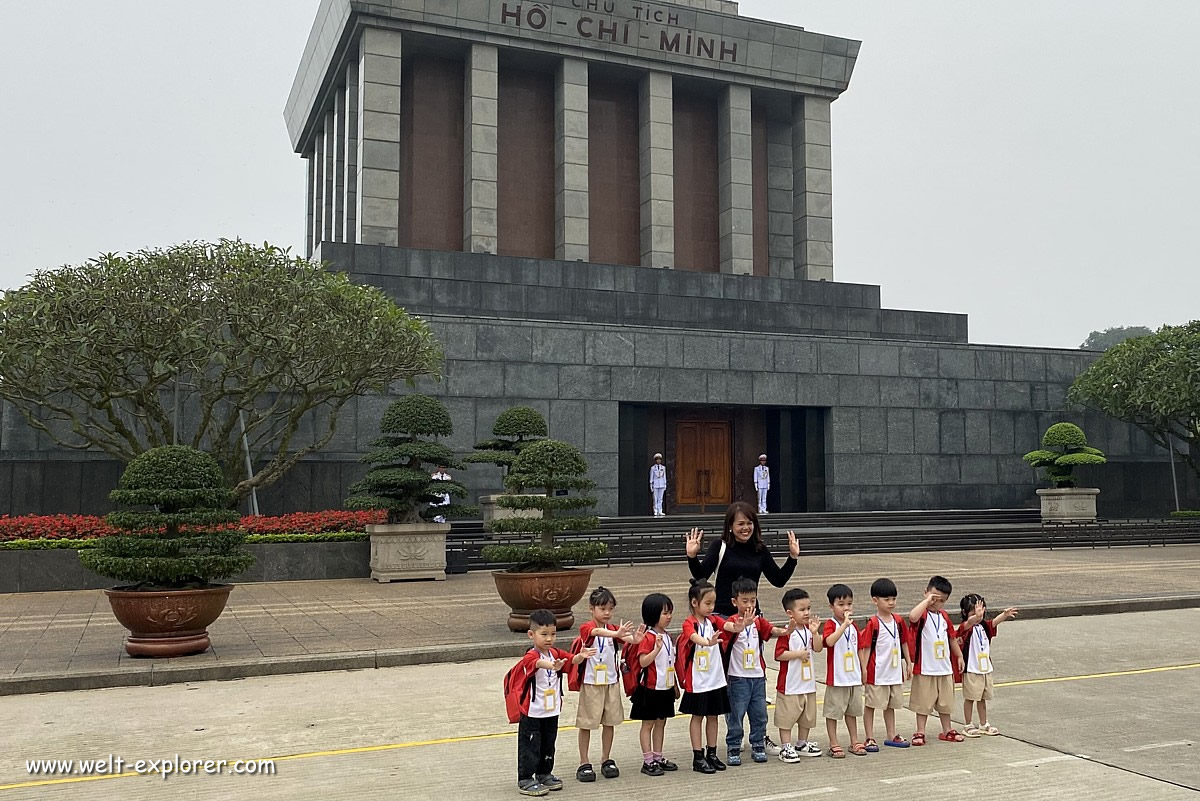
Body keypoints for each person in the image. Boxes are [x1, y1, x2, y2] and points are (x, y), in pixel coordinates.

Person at [506, 609, 595, 797]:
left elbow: (571, 660)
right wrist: (552, 666)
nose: (549, 639)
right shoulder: (531, 655)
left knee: (548, 743)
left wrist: (581, 656)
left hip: (551, 709)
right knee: (530, 744)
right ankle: (525, 778)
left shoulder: (555, 652)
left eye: (553, 634)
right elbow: (536, 663)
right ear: (531, 634)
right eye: (544, 634)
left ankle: (544, 772)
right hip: (533, 711)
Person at [572, 587, 646, 782]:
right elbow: (596, 632)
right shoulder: (587, 627)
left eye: (610, 609)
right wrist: (617, 634)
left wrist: (636, 639)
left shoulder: (614, 629)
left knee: (610, 722)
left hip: (611, 681)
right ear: (591, 609)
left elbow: (627, 638)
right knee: (587, 723)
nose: (607, 613)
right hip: (591, 682)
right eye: (602, 608)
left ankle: (606, 758)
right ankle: (584, 761)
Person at [685, 501, 799, 618]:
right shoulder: (719, 546)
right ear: (730, 526)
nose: (746, 528)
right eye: (740, 524)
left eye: (749, 523)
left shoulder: (759, 549)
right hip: (723, 616)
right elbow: (701, 577)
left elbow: (778, 580)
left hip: (751, 616)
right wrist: (692, 556)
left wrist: (792, 557)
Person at [676, 579, 744, 774]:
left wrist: (738, 626)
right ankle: (698, 756)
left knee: (713, 716)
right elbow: (691, 636)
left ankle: (712, 753)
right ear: (694, 603)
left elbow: (727, 626)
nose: (711, 607)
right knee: (697, 716)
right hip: (698, 680)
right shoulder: (690, 622)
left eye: (713, 603)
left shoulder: (713, 620)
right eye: (707, 603)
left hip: (715, 677)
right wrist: (707, 642)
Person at [724, 578, 791, 766]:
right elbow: (727, 630)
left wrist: (787, 631)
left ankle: (758, 744)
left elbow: (772, 630)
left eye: (753, 600)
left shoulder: (758, 622)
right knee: (736, 715)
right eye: (744, 601)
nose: (749, 605)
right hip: (737, 678)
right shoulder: (732, 622)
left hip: (758, 677)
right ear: (734, 602)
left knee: (759, 714)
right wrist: (740, 625)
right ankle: (734, 746)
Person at [906, 576, 966, 746]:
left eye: (941, 601)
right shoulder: (923, 614)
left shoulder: (944, 617)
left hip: (944, 667)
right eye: (933, 597)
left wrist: (959, 656)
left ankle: (947, 729)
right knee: (923, 703)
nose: (935, 603)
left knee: (945, 702)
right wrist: (926, 602)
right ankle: (920, 731)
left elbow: (952, 638)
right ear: (926, 593)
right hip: (926, 667)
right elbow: (912, 616)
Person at [627, 593, 680, 777]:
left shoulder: (666, 635)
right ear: (653, 614)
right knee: (648, 723)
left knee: (661, 723)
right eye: (665, 613)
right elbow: (642, 662)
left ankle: (658, 756)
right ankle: (648, 760)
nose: (669, 616)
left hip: (664, 687)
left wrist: (674, 685)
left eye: (670, 612)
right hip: (649, 688)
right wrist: (656, 650)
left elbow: (670, 663)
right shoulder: (649, 637)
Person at [858, 578, 912, 750]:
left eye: (893, 599)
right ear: (875, 600)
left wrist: (909, 663)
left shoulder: (898, 621)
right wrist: (864, 670)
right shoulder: (873, 623)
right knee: (871, 704)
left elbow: (904, 642)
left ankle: (891, 734)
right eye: (886, 599)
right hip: (877, 672)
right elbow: (866, 648)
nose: (891, 603)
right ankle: (869, 736)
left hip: (894, 672)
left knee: (891, 705)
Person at [955, 594, 1018, 737]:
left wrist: (1004, 615)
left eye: (982, 612)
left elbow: (993, 623)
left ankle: (984, 723)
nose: (979, 616)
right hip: (971, 668)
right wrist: (975, 618)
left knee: (983, 698)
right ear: (965, 613)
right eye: (975, 613)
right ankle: (968, 724)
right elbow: (967, 624)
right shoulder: (966, 628)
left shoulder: (984, 626)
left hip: (984, 668)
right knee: (970, 697)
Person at [774, 588, 825, 763]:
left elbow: (818, 648)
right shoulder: (787, 632)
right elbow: (779, 654)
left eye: (808, 609)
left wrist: (816, 633)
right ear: (790, 613)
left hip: (807, 683)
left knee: (807, 715)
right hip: (790, 684)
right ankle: (786, 746)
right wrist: (797, 654)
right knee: (787, 717)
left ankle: (802, 743)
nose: (807, 613)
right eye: (802, 610)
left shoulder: (808, 630)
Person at [821, 583, 866, 758]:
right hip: (837, 677)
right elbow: (829, 642)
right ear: (831, 606)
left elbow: (860, 649)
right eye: (841, 604)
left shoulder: (854, 627)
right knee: (833, 712)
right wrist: (844, 626)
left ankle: (854, 740)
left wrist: (863, 670)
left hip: (853, 677)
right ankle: (833, 742)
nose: (846, 608)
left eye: (849, 604)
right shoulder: (831, 625)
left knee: (852, 711)